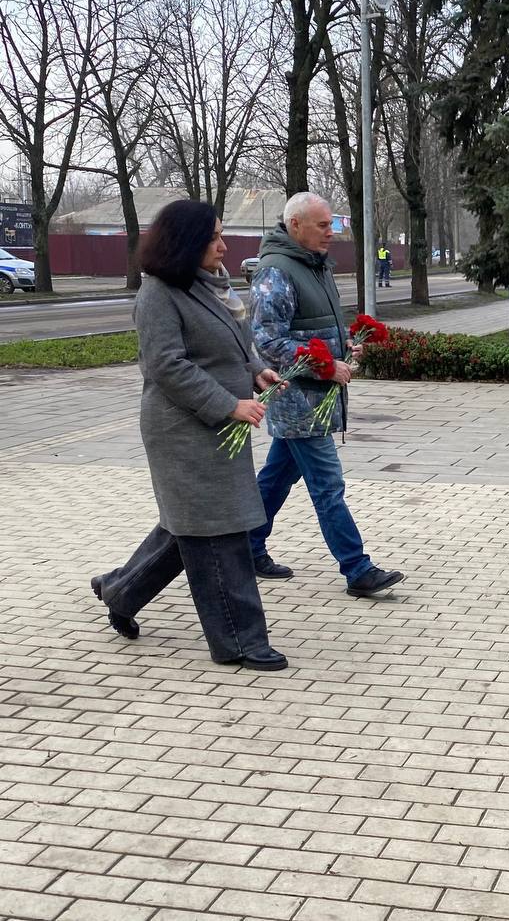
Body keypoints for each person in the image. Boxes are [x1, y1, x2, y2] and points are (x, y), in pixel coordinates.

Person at [91, 200, 289, 671]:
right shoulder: (158, 293)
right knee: (217, 531)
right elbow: (166, 365)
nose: (222, 245)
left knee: (192, 526)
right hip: (183, 428)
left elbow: (233, 345)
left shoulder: (210, 286)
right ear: (185, 243)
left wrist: (257, 370)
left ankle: (120, 591)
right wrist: (228, 404)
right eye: (213, 237)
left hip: (220, 426)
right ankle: (239, 640)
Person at [248, 191, 405, 596]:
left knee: (276, 477)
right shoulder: (276, 271)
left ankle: (246, 546)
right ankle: (357, 569)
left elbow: (310, 327)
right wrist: (325, 364)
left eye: (332, 225)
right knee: (328, 485)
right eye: (323, 225)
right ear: (294, 225)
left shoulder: (315, 265)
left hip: (315, 397)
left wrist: (345, 347)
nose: (331, 233)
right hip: (297, 400)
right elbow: (266, 339)